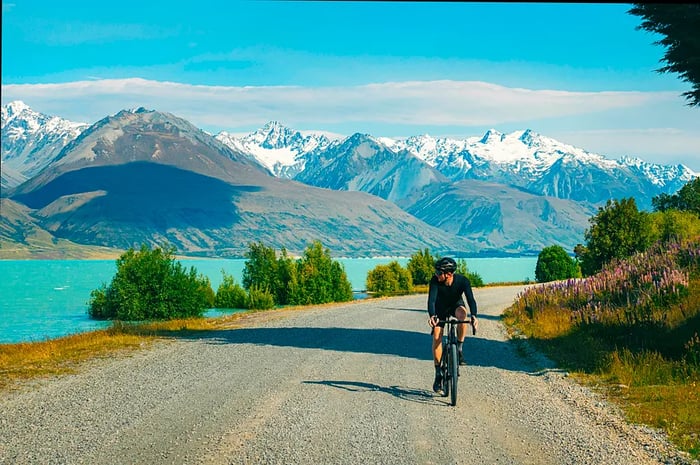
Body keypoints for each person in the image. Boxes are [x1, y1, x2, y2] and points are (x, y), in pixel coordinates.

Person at [427, 257, 478, 393]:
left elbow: (471, 300)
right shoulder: (435, 281)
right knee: (437, 336)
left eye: (439, 273)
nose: (436, 275)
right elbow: (431, 301)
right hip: (440, 309)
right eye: (436, 272)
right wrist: (432, 316)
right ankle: (438, 374)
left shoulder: (462, 281)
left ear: (448, 274)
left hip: (455, 306)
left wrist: (474, 316)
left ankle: (459, 349)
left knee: (463, 315)